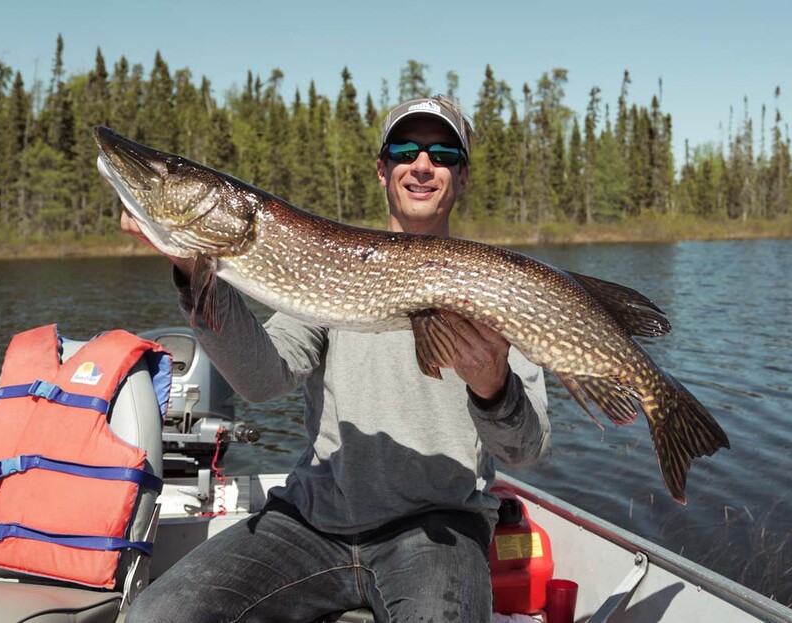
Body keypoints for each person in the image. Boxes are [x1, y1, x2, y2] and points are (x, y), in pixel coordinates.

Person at [121, 95, 550, 622]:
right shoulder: (327, 269)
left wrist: (493, 388)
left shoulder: (495, 288)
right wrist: (193, 271)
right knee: (156, 616)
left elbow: (526, 450)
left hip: (438, 530)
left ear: (461, 178)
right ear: (381, 168)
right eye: (404, 150)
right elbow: (262, 378)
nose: (422, 165)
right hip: (311, 520)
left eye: (442, 154)